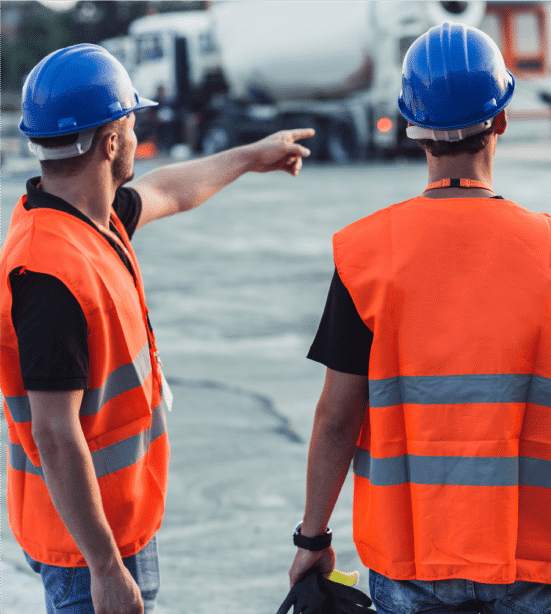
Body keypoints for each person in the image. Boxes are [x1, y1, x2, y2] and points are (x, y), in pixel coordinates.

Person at [0, 43, 313, 614]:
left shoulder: (89, 220)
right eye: (131, 118)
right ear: (110, 140)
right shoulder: (49, 271)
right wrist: (104, 568)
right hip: (86, 552)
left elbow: (169, 188)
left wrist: (250, 155)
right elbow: (53, 431)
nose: (140, 132)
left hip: (112, 527)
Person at [287, 21, 551, 614]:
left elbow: (336, 417)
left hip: (411, 560)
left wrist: (313, 538)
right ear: (502, 120)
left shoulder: (365, 254)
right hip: (533, 556)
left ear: (415, 131)